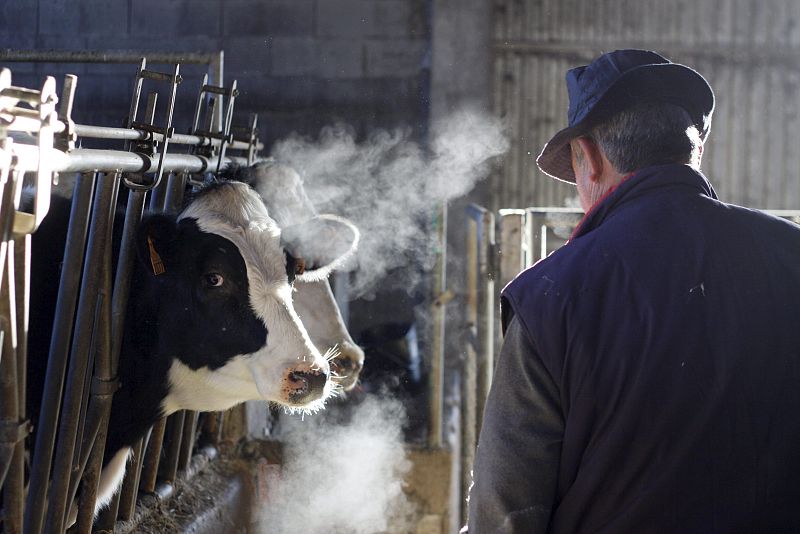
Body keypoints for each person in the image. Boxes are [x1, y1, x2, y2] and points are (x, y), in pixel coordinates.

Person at [465, 49, 800, 533]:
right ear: (695, 151)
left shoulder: (550, 296)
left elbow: (507, 513)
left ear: (589, 158)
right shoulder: (790, 255)